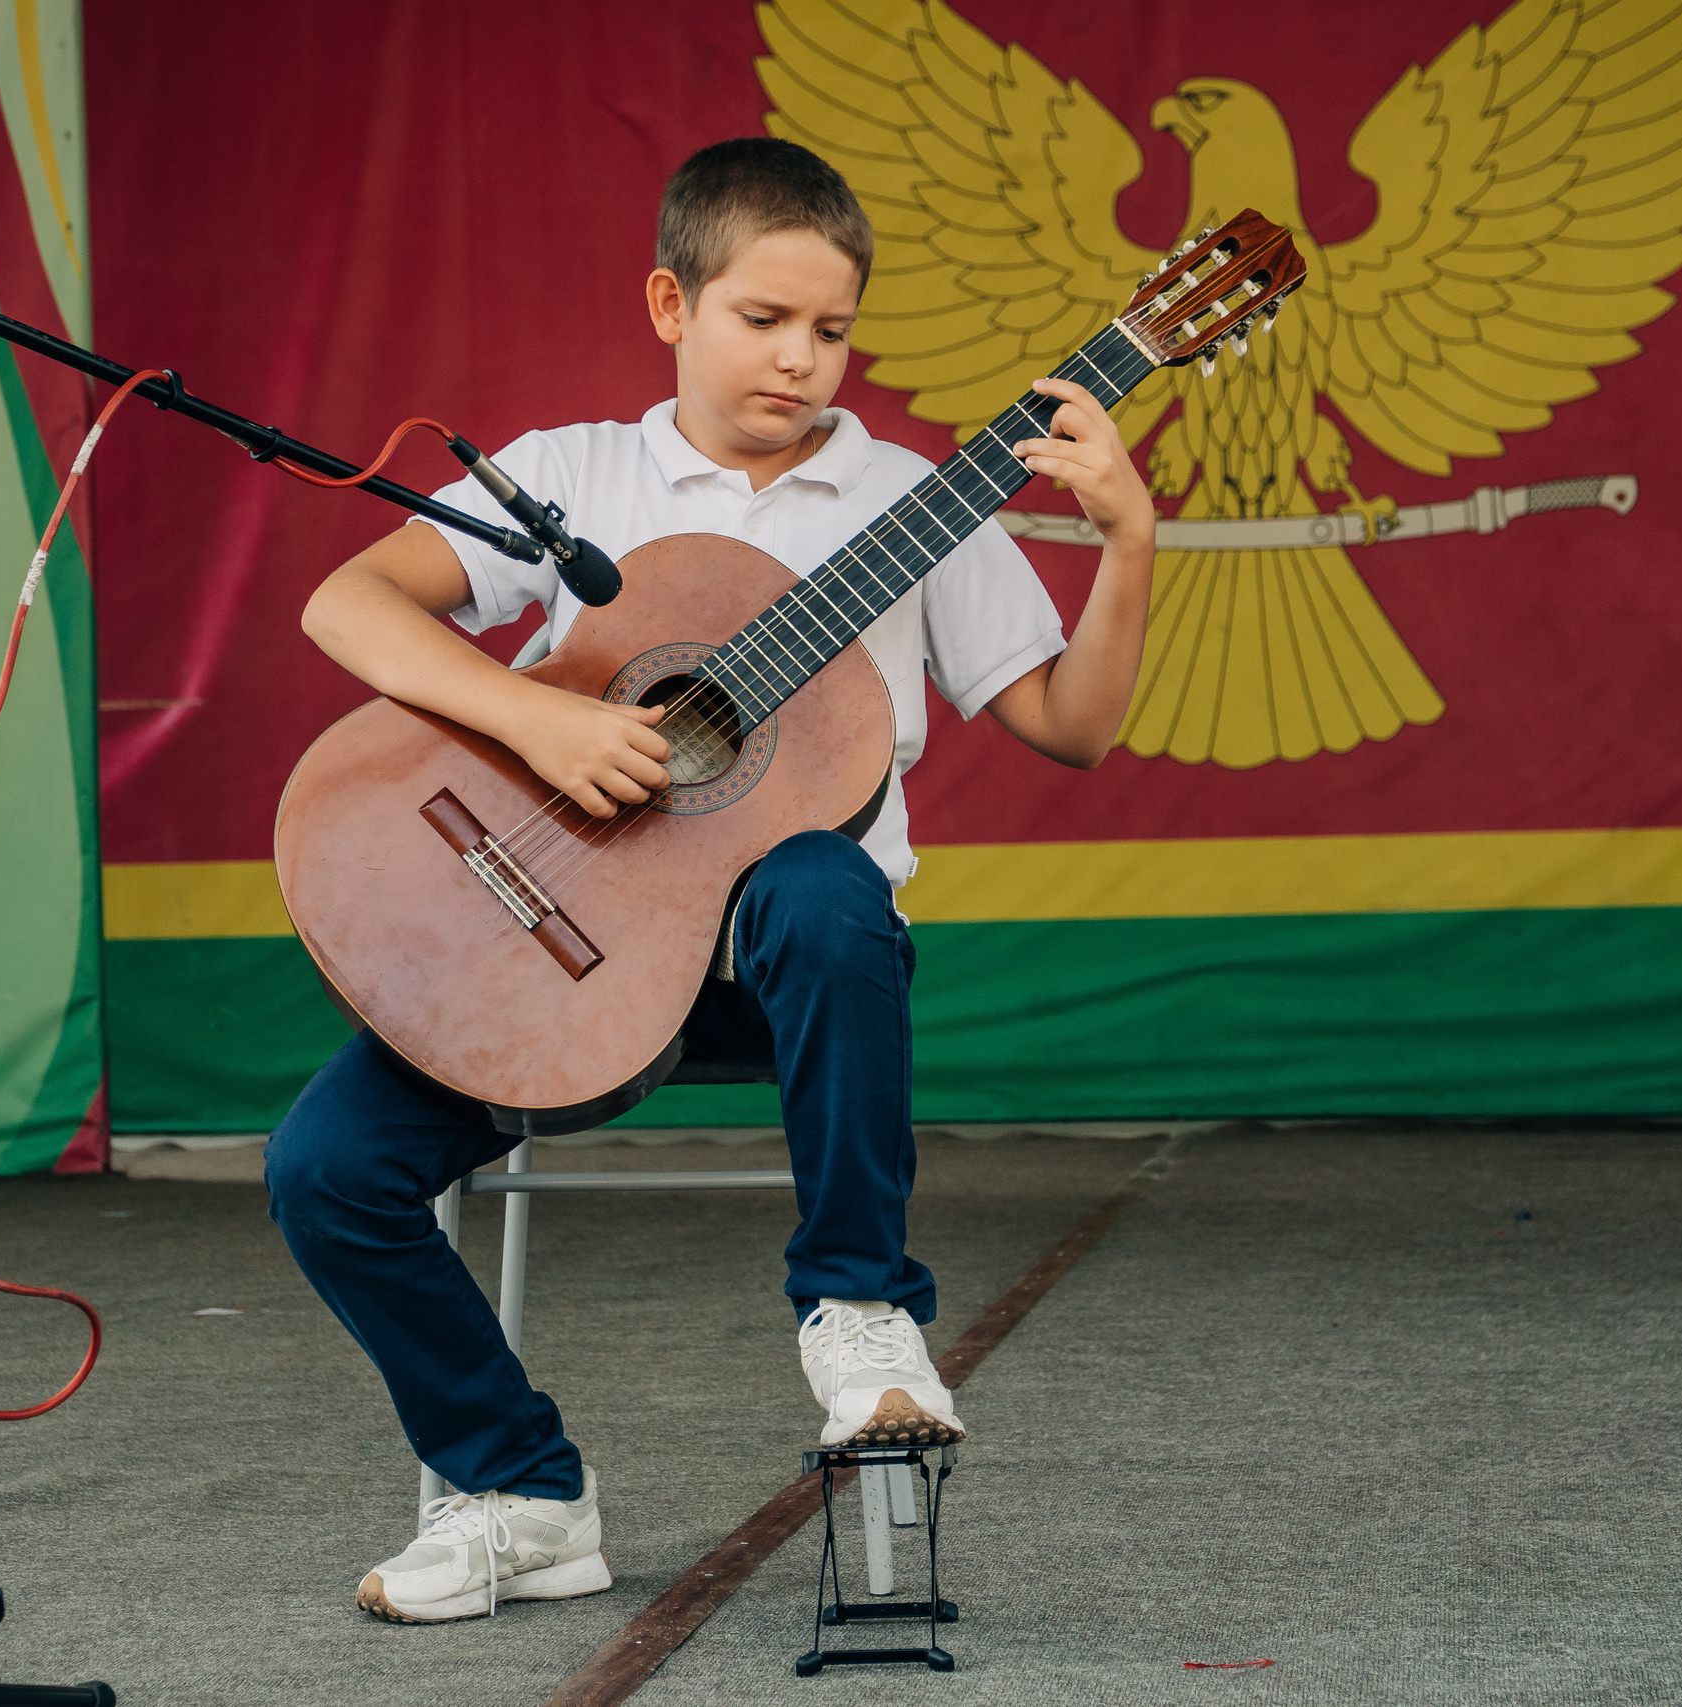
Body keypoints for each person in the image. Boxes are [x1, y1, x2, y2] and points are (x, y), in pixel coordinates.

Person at [266, 136, 1157, 1625]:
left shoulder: (919, 505)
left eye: (832, 331)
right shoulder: (572, 475)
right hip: (587, 959)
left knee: (817, 877)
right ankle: (520, 1491)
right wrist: (537, 710)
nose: (802, 359)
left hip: (803, 989)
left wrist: (1127, 540)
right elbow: (345, 602)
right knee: (323, 1172)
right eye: (765, 320)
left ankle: (861, 1309)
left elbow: (1074, 728)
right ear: (672, 305)